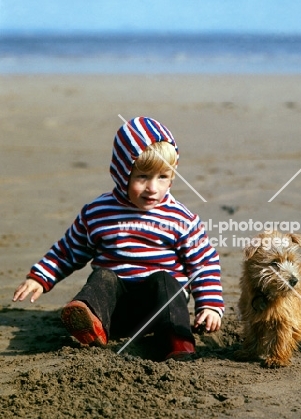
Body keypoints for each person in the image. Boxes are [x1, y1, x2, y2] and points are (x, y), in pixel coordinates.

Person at [13, 117, 224, 360]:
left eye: (163, 177)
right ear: (122, 173)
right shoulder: (98, 212)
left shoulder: (180, 218)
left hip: (158, 312)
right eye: (142, 177)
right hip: (113, 311)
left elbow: (204, 262)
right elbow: (69, 250)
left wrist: (209, 305)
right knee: (103, 276)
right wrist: (40, 277)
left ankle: (177, 341)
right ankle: (92, 324)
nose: (152, 188)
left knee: (165, 282)